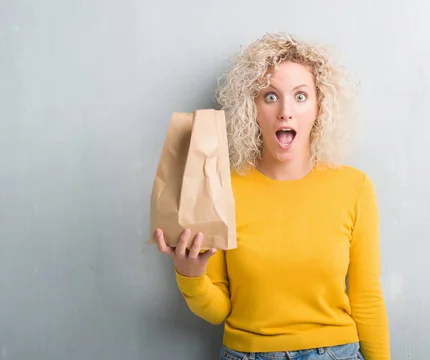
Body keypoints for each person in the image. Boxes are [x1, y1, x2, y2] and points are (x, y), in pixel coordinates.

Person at [154, 32, 390, 360]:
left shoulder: (355, 188)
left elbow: (367, 300)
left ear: (320, 107)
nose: (285, 112)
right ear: (251, 107)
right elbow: (219, 310)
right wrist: (190, 275)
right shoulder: (223, 188)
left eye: (301, 96)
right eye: (270, 96)